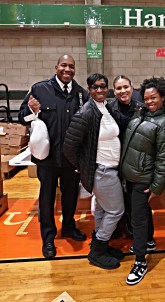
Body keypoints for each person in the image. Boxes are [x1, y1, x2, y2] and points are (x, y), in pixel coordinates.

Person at [18, 54, 88, 259]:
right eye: (64, 65)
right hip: (47, 159)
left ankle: (68, 226)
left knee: (70, 196)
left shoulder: (80, 94)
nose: (67, 70)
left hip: (70, 159)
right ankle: (48, 236)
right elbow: (21, 118)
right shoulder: (40, 89)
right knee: (47, 197)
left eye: (71, 67)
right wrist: (32, 110)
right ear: (56, 67)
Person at [63, 73, 125, 270]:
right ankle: (97, 251)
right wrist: (83, 167)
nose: (99, 90)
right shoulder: (86, 113)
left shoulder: (104, 108)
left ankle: (100, 246)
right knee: (116, 211)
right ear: (89, 89)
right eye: (95, 87)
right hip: (102, 171)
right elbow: (69, 147)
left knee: (102, 209)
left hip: (109, 169)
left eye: (103, 86)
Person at [120, 77, 165, 285]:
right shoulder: (140, 114)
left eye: (154, 97)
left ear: (163, 97)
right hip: (131, 175)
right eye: (146, 98)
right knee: (140, 215)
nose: (150, 101)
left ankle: (140, 261)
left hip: (143, 179)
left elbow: (164, 158)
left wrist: (157, 186)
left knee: (138, 219)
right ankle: (149, 242)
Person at [109, 76, 156, 252]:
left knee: (141, 203)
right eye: (118, 88)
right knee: (123, 201)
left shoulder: (142, 108)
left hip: (139, 163)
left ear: (132, 87)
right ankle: (130, 232)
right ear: (114, 91)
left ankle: (148, 238)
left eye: (125, 87)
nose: (123, 91)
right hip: (117, 162)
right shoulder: (109, 109)